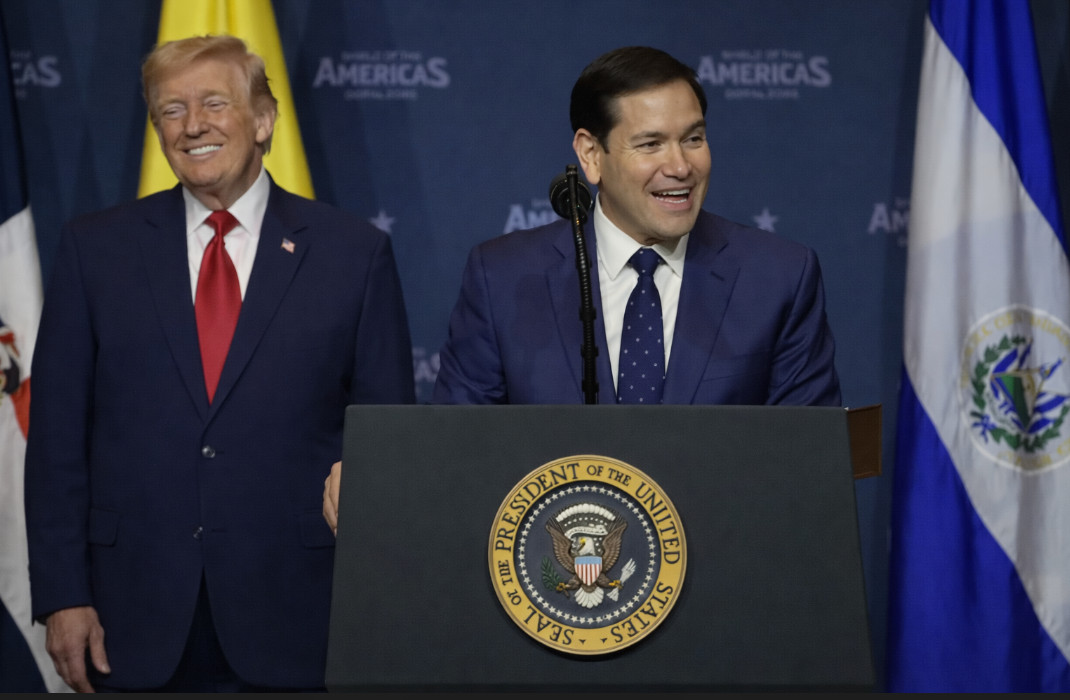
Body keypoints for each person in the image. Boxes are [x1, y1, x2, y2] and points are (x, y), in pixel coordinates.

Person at [24, 35, 415, 692]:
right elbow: (57, 439)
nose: (192, 126)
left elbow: (388, 436)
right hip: (131, 618)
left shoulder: (354, 253)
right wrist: (63, 596)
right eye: (170, 110)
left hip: (301, 611)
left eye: (213, 103)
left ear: (263, 120)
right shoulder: (96, 251)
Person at [322, 45, 839, 532]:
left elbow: (810, 471)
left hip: (726, 593)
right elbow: (458, 455)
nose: (680, 165)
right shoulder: (503, 279)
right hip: (554, 595)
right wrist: (386, 487)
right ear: (591, 155)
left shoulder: (777, 277)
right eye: (651, 143)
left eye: (694, 138)